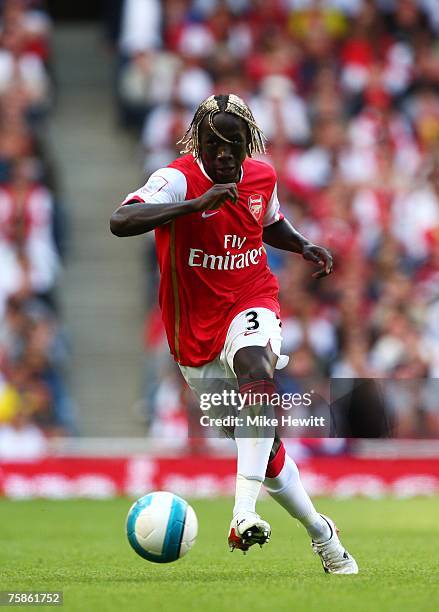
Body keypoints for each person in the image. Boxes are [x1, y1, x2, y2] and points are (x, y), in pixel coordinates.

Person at [110, 94, 358, 574]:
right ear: (197, 142)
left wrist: (303, 244)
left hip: (251, 298)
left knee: (255, 364)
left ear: (249, 144)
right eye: (214, 144)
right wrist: (193, 204)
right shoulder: (177, 179)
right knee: (264, 450)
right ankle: (323, 535)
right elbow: (120, 221)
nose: (224, 154)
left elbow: (269, 222)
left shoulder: (262, 176)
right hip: (193, 339)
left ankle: (242, 512)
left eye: (234, 145)